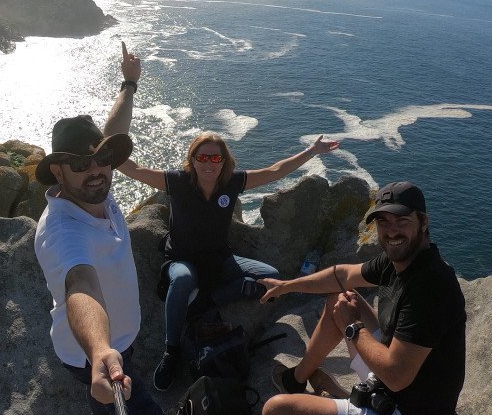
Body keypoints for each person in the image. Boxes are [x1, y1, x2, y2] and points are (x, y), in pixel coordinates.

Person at [33, 42, 178, 415]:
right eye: (79, 163)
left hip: (121, 338)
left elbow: (114, 131)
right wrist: (100, 350)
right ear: (58, 171)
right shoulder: (63, 231)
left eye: (100, 159)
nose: (95, 170)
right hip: (93, 351)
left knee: (106, 407)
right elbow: (80, 286)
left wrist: (130, 82)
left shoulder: (97, 184)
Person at [119, 131, 339, 390]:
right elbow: (133, 168)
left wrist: (311, 151)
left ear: (224, 161)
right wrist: (106, 151)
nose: (209, 163)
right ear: (193, 159)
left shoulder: (231, 182)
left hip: (220, 259)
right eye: (202, 157)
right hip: (182, 258)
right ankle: (172, 351)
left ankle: (204, 300)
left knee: (274, 277)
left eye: (215, 157)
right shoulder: (178, 181)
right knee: (182, 279)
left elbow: (275, 170)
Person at [259, 181, 466, 415]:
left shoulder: (430, 286)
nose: (392, 231)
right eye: (383, 222)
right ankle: (297, 379)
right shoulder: (401, 260)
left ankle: (339, 399)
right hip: (392, 379)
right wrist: (287, 286)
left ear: (423, 222)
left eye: (402, 221)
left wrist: (353, 327)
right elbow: (343, 276)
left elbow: (396, 376)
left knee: (276, 411)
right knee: (341, 299)